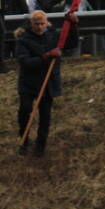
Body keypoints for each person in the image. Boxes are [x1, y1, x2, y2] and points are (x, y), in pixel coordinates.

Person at [15, 10, 80, 156]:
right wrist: (47, 56)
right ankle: (24, 139)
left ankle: (40, 145)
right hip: (28, 82)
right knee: (25, 110)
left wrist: (73, 25)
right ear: (31, 24)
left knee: (45, 115)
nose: (39, 27)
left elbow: (72, 43)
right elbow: (25, 62)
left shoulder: (54, 35)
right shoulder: (23, 39)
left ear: (47, 23)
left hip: (48, 81)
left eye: (42, 24)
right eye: (36, 24)